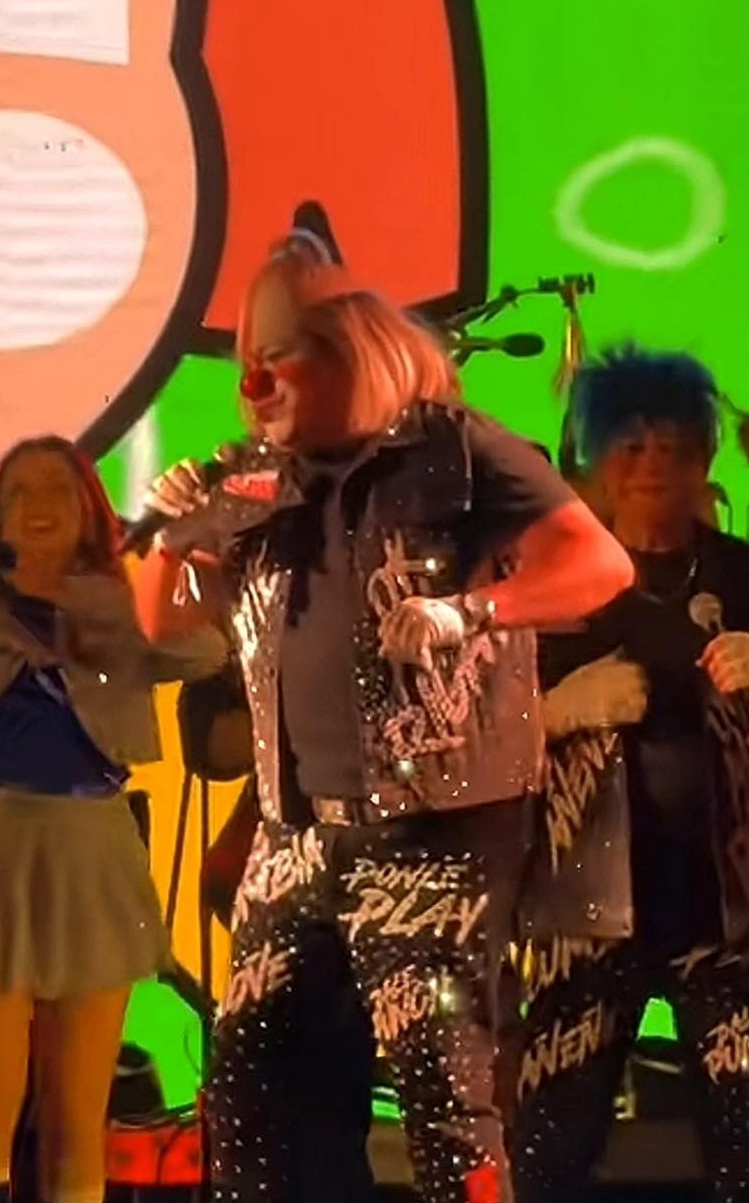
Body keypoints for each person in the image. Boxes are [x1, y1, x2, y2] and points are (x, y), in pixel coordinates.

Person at [134, 209, 631, 1203]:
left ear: (347, 351)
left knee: (441, 1089)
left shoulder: (457, 448)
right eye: (247, 364)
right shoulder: (252, 476)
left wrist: (471, 610)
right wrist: (171, 538)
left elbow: (598, 564)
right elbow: (163, 624)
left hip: (434, 831)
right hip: (294, 836)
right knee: (250, 1086)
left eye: (278, 360)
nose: (254, 387)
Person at [511, 346, 749, 1203]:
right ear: (595, 460)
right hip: (583, 919)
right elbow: (455, 741)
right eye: (631, 445)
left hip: (725, 921)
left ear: (705, 459)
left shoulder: (739, 574)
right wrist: (557, 709)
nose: (652, 465)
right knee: (544, 1155)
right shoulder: (547, 585)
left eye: (673, 447)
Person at [0, 436, 227, 1203]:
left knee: (78, 1125)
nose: (40, 505)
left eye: (59, 488)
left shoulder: (124, 605)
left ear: (91, 508)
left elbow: (205, 652)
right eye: (21, 491)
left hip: (94, 852)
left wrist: (177, 558)